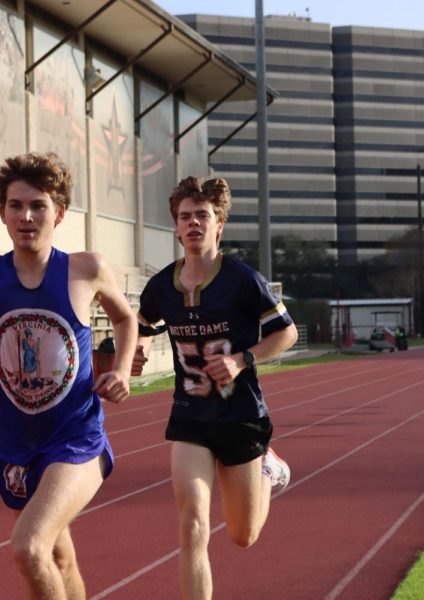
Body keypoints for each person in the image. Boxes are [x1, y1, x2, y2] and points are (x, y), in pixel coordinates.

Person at [0, 152, 137, 599]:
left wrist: (121, 369)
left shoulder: (87, 269)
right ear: (2, 212)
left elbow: (125, 319)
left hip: (76, 439)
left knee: (29, 548)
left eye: (38, 205)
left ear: (59, 213)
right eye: (15, 205)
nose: (26, 216)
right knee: (59, 560)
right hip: (15, 446)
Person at [131, 176, 298, 600]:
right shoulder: (161, 286)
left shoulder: (241, 279)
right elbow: (142, 323)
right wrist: (135, 351)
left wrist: (242, 359)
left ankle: (266, 468)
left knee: (243, 536)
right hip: (190, 416)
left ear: (218, 224)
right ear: (175, 226)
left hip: (240, 415)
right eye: (185, 216)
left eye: (202, 216)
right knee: (192, 525)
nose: (193, 223)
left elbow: (287, 333)